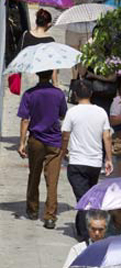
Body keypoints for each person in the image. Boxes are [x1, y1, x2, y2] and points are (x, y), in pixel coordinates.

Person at [61, 80, 113, 241]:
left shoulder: (72, 113)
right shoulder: (101, 112)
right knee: (86, 198)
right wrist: (109, 159)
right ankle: (80, 227)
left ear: (75, 94)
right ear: (91, 93)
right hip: (95, 163)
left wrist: (63, 151)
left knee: (84, 200)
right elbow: (107, 136)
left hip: (76, 162)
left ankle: (85, 236)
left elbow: (65, 135)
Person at [17, 69, 67, 229]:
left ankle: (32, 209)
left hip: (35, 140)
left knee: (34, 174)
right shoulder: (58, 94)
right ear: (50, 74)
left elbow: (25, 120)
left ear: (37, 74)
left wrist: (21, 143)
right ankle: (50, 216)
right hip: (54, 140)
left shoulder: (29, 94)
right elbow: (62, 114)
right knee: (52, 180)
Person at [66, 0, 98, 79]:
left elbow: (95, 11)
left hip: (87, 28)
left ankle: (82, 79)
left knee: (85, 56)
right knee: (72, 57)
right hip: (72, 28)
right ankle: (74, 80)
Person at [18, 9, 59, 86]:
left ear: (36, 21)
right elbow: (53, 65)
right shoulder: (50, 41)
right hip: (43, 81)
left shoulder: (25, 35)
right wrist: (55, 83)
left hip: (26, 81)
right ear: (48, 24)